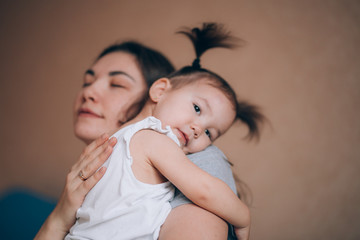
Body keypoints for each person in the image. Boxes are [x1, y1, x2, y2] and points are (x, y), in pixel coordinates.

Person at [35, 23, 258, 240]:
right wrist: (244, 216)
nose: (89, 92)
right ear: (159, 91)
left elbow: (204, 190)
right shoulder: (147, 140)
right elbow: (205, 190)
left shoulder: (202, 157)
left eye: (117, 83)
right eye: (87, 81)